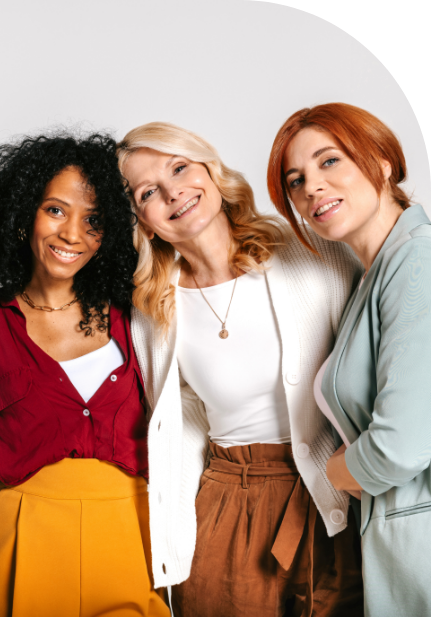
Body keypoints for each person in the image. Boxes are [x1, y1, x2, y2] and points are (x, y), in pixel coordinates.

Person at [117, 122, 364, 616]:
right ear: (142, 219)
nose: (173, 192)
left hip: (333, 495)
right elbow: (181, 420)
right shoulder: (152, 308)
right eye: (148, 191)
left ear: (210, 169)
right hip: (228, 503)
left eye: (180, 168)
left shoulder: (313, 254)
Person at [0, 132, 169, 617]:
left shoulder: (138, 317)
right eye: (55, 210)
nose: (72, 234)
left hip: (130, 532)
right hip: (20, 534)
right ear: (22, 211)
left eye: (92, 220)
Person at [268, 102, 431, 616]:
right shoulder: (373, 274)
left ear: (382, 161)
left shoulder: (416, 262)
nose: (311, 186)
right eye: (296, 180)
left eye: (329, 161)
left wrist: (335, 473)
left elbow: (401, 445)